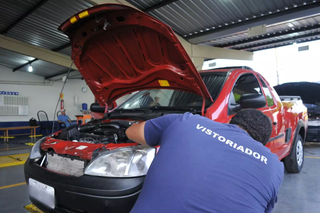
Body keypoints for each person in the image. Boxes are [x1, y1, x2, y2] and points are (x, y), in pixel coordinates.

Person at [126, 109, 284, 213]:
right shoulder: (274, 165)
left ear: (230, 123)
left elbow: (132, 132)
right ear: (262, 143)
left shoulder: (186, 121)